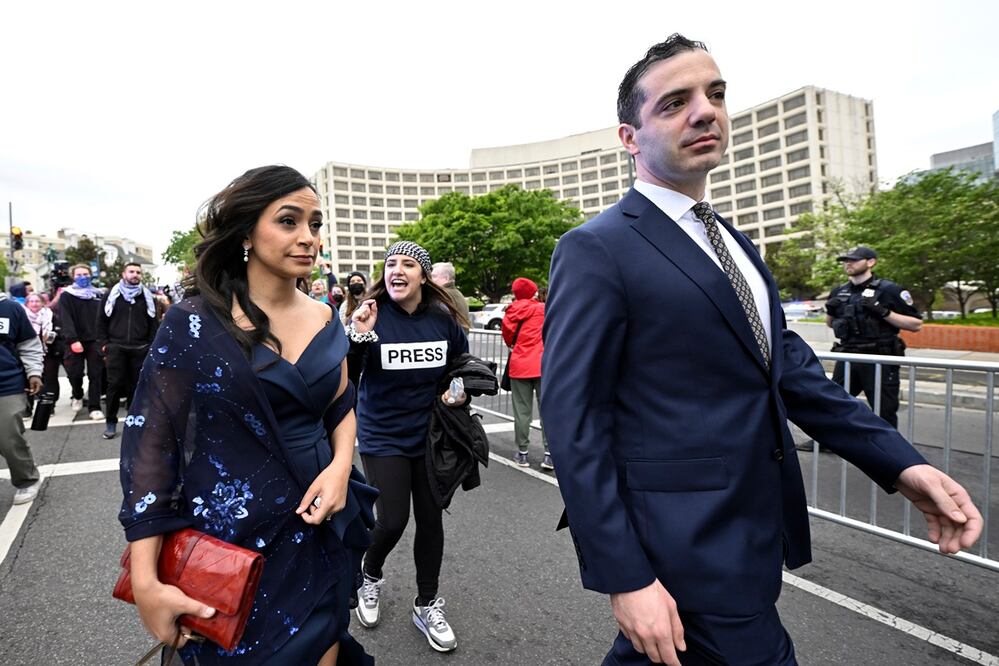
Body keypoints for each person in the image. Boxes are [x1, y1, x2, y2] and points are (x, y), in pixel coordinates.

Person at [541, 34, 982, 666]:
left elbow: (790, 368)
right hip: (680, 543)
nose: (705, 111)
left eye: (715, 94)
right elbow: (573, 420)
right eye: (674, 103)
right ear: (630, 137)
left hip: (752, 529)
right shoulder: (597, 248)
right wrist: (625, 575)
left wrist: (900, 464)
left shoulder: (736, 244)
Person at [118, 165, 374, 665]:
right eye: (288, 221)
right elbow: (153, 447)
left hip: (320, 520)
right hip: (231, 542)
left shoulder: (325, 315)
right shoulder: (192, 321)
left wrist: (342, 465)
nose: (308, 238)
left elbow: (342, 404)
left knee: (324, 647)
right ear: (246, 235)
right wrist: (147, 581)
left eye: (316, 224)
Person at [348, 241, 469, 653]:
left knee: (431, 520)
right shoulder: (372, 316)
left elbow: (459, 367)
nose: (396, 270)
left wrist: (460, 392)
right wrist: (358, 336)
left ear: (422, 275)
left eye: (406, 264)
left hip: (430, 435)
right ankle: (370, 572)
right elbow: (346, 376)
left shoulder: (442, 318)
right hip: (383, 436)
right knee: (393, 520)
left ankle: (427, 603)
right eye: (389, 264)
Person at [825, 246, 922, 428]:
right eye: (846, 260)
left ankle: (890, 451)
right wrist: (830, 310)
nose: (848, 263)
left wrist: (883, 311)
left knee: (884, 409)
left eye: (853, 260)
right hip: (848, 356)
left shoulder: (889, 289)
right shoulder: (839, 291)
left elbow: (916, 324)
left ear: (870, 262)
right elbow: (830, 324)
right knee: (832, 403)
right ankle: (824, 442)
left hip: (879, 358)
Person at [96, 262, 159, 440]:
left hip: (140, 348)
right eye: (131, 271)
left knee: (136, 388)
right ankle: (111, 422)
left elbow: (153, 323)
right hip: (116, 348)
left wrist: (151, 345)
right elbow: (101, 320)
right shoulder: (111, 295)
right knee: (114, 386)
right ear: (124, 274)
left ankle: (134, 422)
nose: (135, 274)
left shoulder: (147, 297)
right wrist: (104, 344)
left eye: (138, 272)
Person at [502, 277, 551, 470]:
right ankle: (549, 454)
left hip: (519, 365)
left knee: (522, 412)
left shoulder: (510, 312)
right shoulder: (542, 309)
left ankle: (522, 454)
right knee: (547, 410)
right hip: (542, 365)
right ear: (533, 292)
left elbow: (508, 339)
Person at [0, 290, 44, 504]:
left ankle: (27, 479)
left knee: (8, 437)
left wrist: (34, 373)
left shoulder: (10, 308)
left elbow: (28, 346)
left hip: (7, 384)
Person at [59, 264, 104, 419]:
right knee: (75, 373)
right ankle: (77, 394)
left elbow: (103, 317)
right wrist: (73, 339)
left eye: (85, 274)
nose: (83, 277)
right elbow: (66, 318)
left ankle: (94, 406)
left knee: (96, 374)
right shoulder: (66, 295)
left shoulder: (97, 295)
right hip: (75, 340)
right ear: (73, 276)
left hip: (95, 340)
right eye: (79, 274)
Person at [22, 293, 54, 417]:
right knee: (28, 380)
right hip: (28, 353)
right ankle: (27, 409)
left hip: (47, 352)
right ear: (27, 304)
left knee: (48, 379)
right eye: (32, 301)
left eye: (37, 301)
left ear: (42, 303)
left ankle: (48, 407)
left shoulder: (49, 315)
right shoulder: (22, 317)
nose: (35, 304)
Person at [431, 262, 471, 332]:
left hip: (449, 338)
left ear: (446, 278)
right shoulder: (457, 293)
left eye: (434, 276)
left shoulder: (441, 295)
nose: (430, 280)